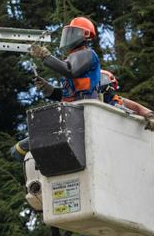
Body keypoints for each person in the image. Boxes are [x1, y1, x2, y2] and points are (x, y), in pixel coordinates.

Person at [11, 17, 101, 160]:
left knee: (22, 148)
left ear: (84, 35)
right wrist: (49, 88)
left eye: (73, 32)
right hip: (72, 112)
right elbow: (67, 93)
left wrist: (46, 57)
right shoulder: (73, 58)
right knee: (19, 150)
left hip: (82, 112)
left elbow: (69, 70)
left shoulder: (87, 54)